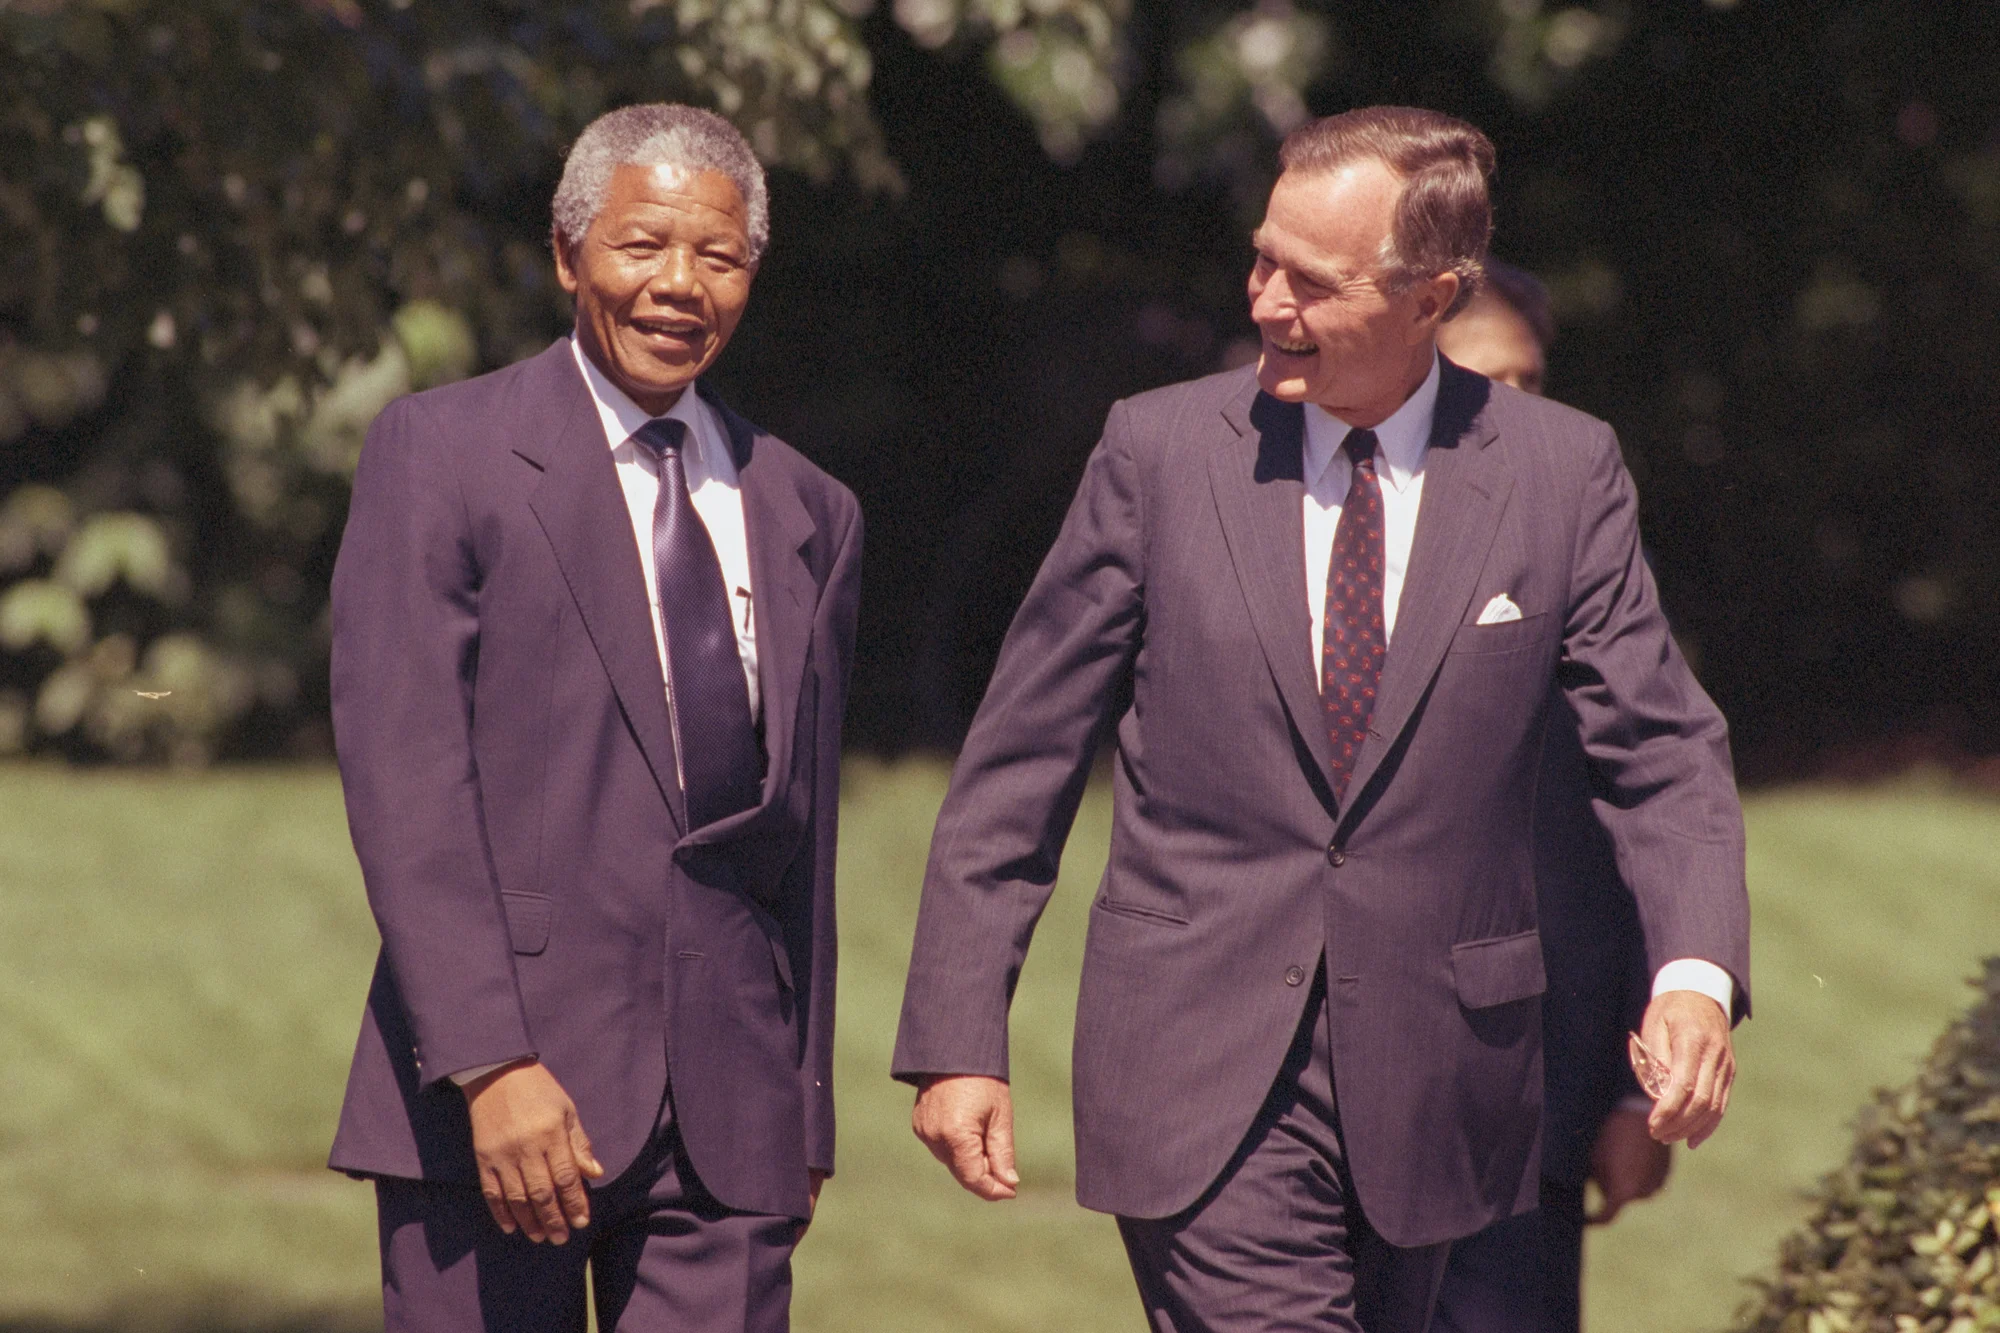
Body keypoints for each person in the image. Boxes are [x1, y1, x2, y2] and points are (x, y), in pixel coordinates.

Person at [892, 107, 1747, 1333]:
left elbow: (1660, 750)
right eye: (1259, 259)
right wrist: (957, 1032)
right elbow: (1020, 757)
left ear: (1429, 298)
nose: (1265, 302)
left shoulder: (1561, 473)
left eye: (1310, 279)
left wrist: (1692, 977)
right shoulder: (1158, 452)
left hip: (1446, 1088)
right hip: (1196, 1067)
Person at [325, 103, 862, 1333]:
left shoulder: (809, 507)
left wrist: (803, 1106)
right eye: (641, 246)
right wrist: (489, 1062)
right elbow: (407, 784)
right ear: (568, 255)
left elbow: (807, 835)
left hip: (730, 1125)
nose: (679, 285)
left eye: (717, 258)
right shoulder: (441, 454)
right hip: (495, 1102)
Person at [1430, 264, 1673, 1332]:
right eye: (1486, 382)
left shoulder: (1584, 560)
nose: (1518, 412)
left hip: (1532, 1099)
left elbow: (1640, 815)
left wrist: (1629, 1096)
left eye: (1531, 381)